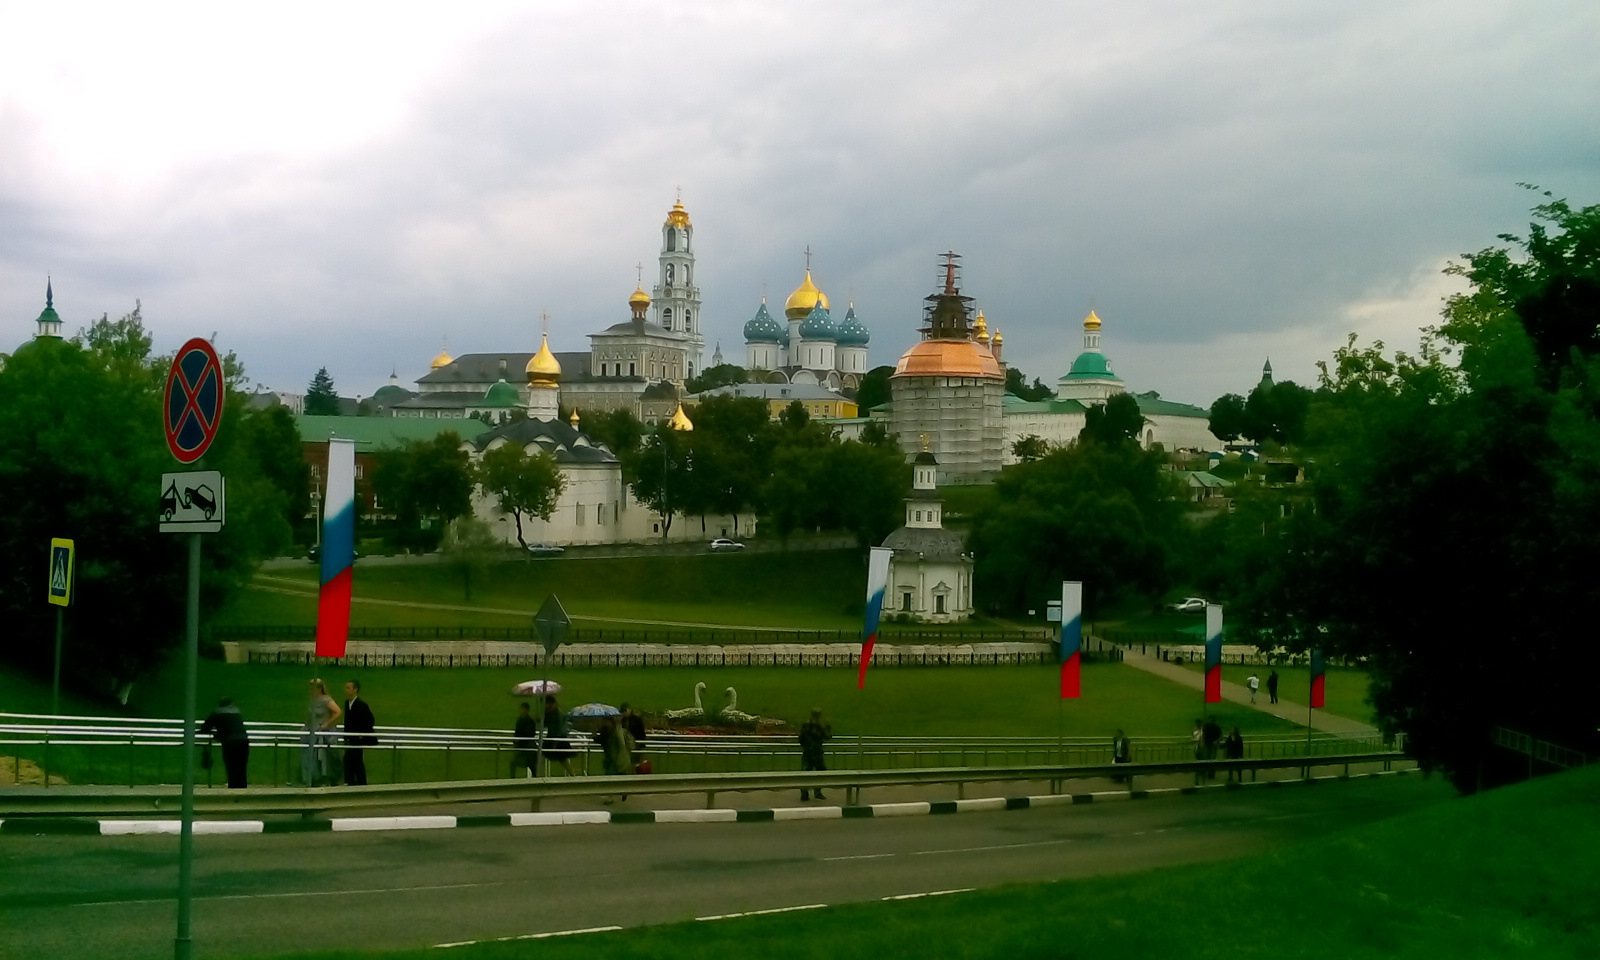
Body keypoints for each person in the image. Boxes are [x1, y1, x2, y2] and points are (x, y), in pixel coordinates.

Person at [199, 697, 250, 789]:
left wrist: (216, 734)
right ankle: (242, 788)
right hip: (243, 741)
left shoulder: (217, 712)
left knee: (231, 765)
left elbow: (205, 728)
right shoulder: (236, 711)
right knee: (241, 766)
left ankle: (233, 787)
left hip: (230, 742)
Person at [302, 678, 342, 786]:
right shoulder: (313, 700)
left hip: (323, 734)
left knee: (324, 757)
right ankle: (314, 779)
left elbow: (338, 712)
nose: (310, 691)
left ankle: (328, 778)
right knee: (311, 756)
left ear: (319, 689)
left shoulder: (326, 700)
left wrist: (327, 723)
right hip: (312, 732)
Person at [342, 680, 376, 786]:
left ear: (355, 689)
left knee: (352, 760)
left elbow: (370, 720)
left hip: (358, 739)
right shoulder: (347, 704)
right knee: (355, 761)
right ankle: (355, 783)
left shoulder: (362, 705)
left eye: (349, 688)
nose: (346, 690)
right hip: (351, 738)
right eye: (346, 687)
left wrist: (362, 734)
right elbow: (347, 722)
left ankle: (355, 783)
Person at [597, 715, 635, 803]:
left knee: (612, 777)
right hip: (613, 758)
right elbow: (602, 740)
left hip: (617, 758)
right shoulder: (607, 731)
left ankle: (612, 796)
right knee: (614, 777)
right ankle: (619, 792)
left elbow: (621, 744)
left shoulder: (616, 731)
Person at [798, 708, 832, 801]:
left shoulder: (810, 725)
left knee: (815, 772)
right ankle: (810, 792)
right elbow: (827, 736)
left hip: (811, 752)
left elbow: (801, 738)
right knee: (811, 772)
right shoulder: (815, 726)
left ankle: (810, 793)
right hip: (813, 752)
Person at [541, 695, 575, 776]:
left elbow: (560, 728)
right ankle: (573, 775)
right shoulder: (549, 712)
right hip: (553, 739)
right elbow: (545, 724)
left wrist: (555, 742)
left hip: (558, 740)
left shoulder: (558, 713)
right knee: (562, 760)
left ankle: (573, 775)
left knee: (563, 760)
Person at [511, 701, 538, 778]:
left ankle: (536, 780)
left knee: (531, 765)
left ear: (526, 710)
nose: (521, 710)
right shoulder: (520, 720)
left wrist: (519, 740)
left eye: (522, 709)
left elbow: (530, 734)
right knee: (514, 763)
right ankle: (512, 780)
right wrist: (515, 740)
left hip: (528, 748)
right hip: (523, 748)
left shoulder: (530, 721)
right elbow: (517, 732)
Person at [620, 701, 647, 769]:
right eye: (622, 712)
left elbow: (641, 733)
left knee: (636, 764)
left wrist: (641, 745)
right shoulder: (622, 720)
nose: (624, 713)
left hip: (636, 745)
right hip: (626, 746)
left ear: (629, 710)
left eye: (625, 711)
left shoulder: (637, 720)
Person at [1202, 715, 1222, 780]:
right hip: (1207, 744)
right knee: (1205, 759)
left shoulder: (1217, 727)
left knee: (1212, 759)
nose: (1210, 721)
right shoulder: (1206, 726)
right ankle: (1204, 772)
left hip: (1213, 745)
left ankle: (1211, 774)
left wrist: (1216, 741)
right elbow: (1203, 734)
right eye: (1209, 719)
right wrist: (1202, 742)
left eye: (1211, 720)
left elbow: (1221, 736)